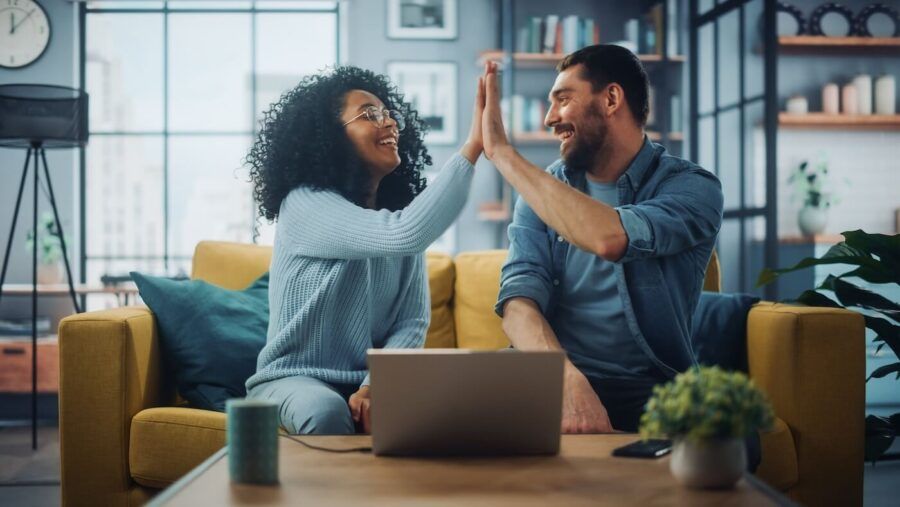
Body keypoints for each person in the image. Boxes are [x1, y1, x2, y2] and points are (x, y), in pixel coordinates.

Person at [480, 45, 724, 433]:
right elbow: (518, 303)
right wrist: (566, 380)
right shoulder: (543, 192)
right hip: (552, 373)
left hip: (649, 386)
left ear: (611, 98)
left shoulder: (691, 188)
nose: (549, 118)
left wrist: (503, 155)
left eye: (563, 99)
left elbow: (610, 238)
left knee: (734, 444)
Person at [244, 66, 485, 434]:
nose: (389, 124)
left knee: (464, 408)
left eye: (389, 114)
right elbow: (404, 233)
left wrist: (376, 385)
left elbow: (411, 323)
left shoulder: (395, 219)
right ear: (329, 136)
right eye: (370, 114)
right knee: (325, 410)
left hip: (367, 381)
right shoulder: (305, 204)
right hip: (292, 379)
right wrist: (473, 148)